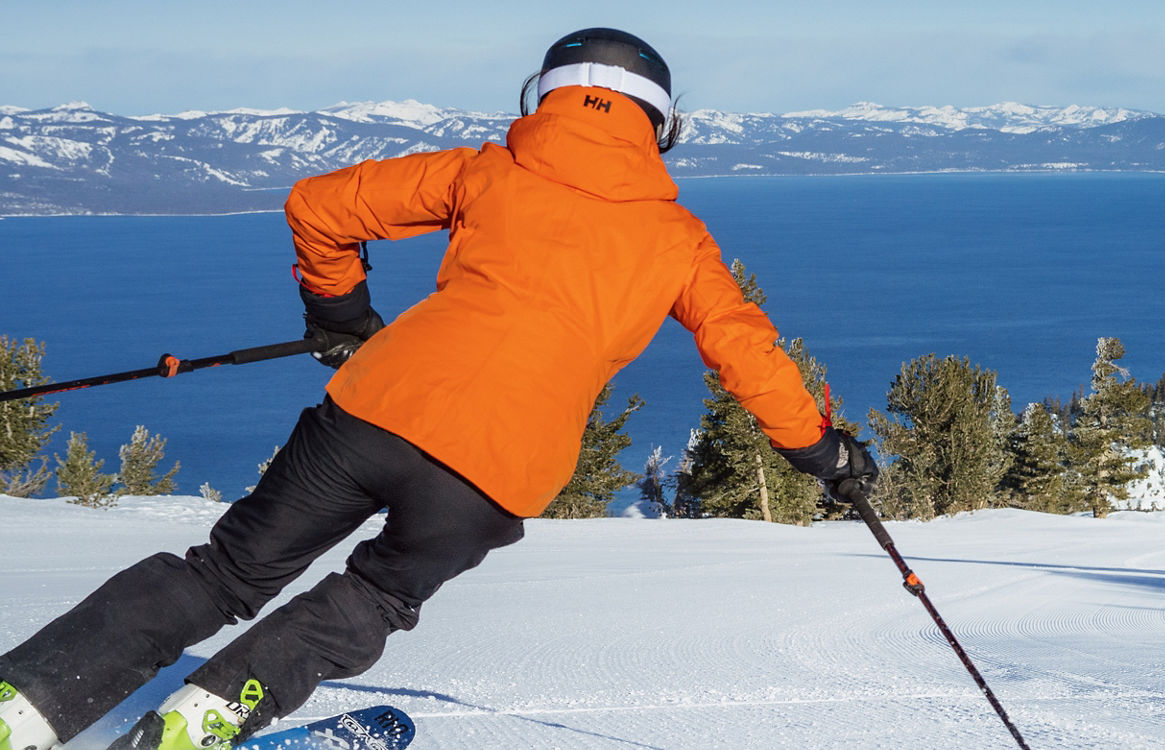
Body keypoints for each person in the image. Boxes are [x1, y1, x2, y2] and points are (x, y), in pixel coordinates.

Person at [0, 28, 875, 750]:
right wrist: (823, 454)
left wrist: (341, 314)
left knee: (226, 573)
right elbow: (747, 353)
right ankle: (199, 723)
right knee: (373, 597)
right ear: (663, 128)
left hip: (373, 412)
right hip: (496, 471)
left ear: (542, 99)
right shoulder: (677, 240)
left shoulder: (484, 171)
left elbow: (318, 205)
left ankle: (28, 702)